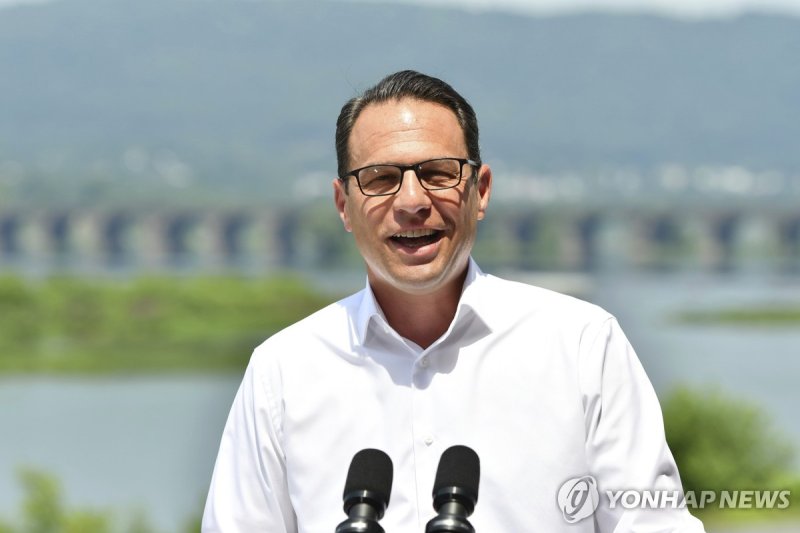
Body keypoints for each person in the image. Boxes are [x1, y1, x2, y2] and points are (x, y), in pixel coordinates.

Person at [202, 70, 705, 532]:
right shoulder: (284, 372)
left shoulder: (580, 346)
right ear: (344, 205)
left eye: (438, 173)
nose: (412, 201)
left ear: (480, 191)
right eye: (380, 179)